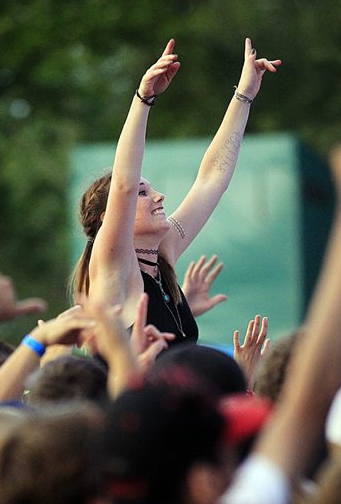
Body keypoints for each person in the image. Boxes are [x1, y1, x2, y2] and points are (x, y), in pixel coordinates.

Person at [70, 38, 281, 345]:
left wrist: (244, 94)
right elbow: (124, 185)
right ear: (109, 217)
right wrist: (143, 99)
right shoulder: (114, 260)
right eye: (145, 193)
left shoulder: (162, 255)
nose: (159, 197)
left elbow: (211, 179)